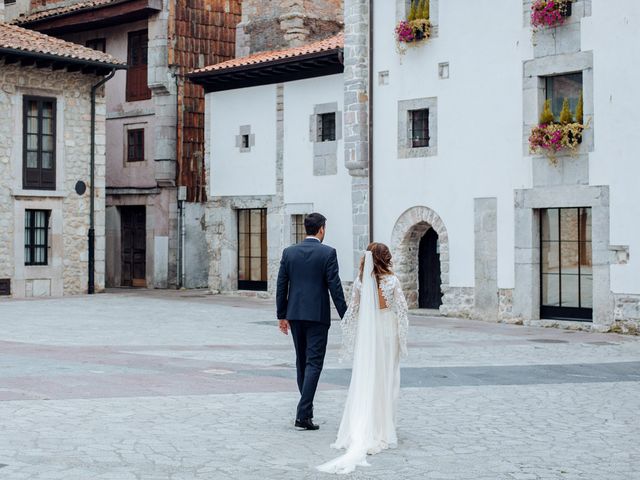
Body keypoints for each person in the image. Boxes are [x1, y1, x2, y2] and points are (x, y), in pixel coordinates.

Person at [317, 242, 409, 474]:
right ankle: (383, 427)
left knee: (368, 377)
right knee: (387, 378)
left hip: (369, 335)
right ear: (385, 258)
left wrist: (352, 336)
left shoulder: (360, 282)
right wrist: (402, 337)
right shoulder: (392, 281)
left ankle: (363, 424)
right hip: (387, 330)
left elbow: (352, 311)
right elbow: (402, 309)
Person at [276, 212, 348, 431]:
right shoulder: (328, 253)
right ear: (322, 229)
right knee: (314, 363)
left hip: (295, 314)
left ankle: (305, 413)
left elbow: (281, 285)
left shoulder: (289, 253)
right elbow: (334, 287)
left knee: (302, 361)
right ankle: (303, 413)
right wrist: (346, 315)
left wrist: (282, 315)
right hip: (317, 316)